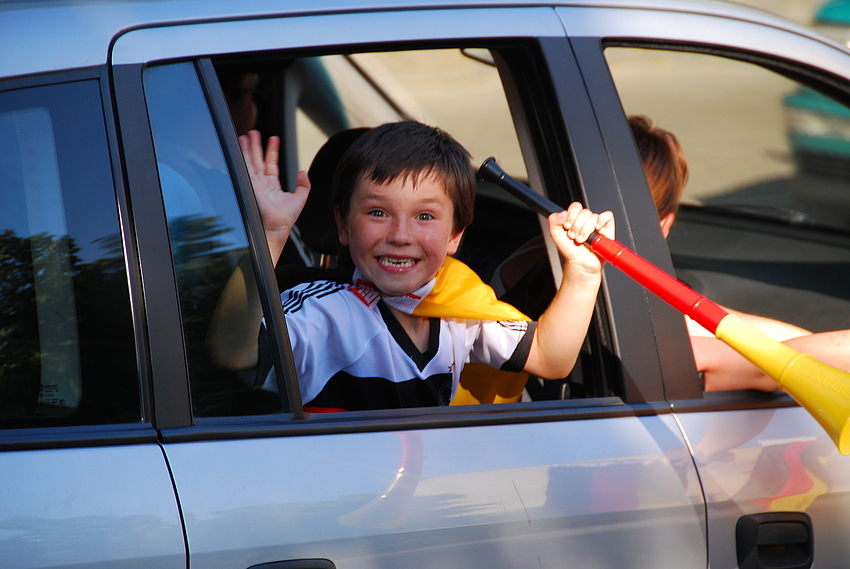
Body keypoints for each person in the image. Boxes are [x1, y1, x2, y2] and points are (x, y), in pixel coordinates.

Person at [208, 121, 615, 411]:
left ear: (456, 234)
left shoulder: (459, 308)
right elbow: (232, 352)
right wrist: (270, 235)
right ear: (343, 225)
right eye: (378, 212)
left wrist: (581, 273)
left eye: (425, 217)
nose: (401, 235)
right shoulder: (323, 312)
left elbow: (550, 357)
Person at [628, 114, 850, 391]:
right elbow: (779, 365)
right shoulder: (639, 328)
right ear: (665, 224)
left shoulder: (616, 302)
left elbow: (737, 328)